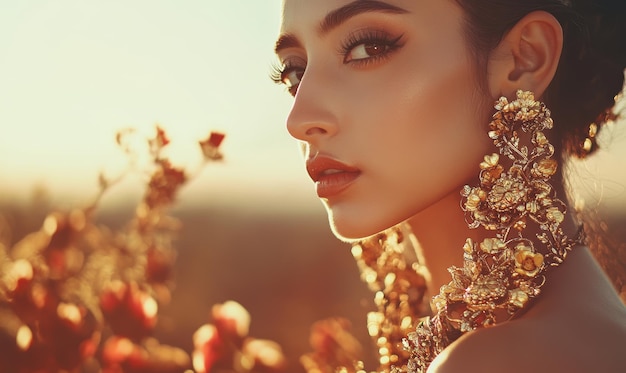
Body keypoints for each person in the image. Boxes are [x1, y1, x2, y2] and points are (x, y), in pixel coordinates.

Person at [271, 1, 626, 372]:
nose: (299, 119)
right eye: (294, 72)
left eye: (367, 47)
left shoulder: (498, 361)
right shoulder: (584, 333)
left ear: (525, 58)